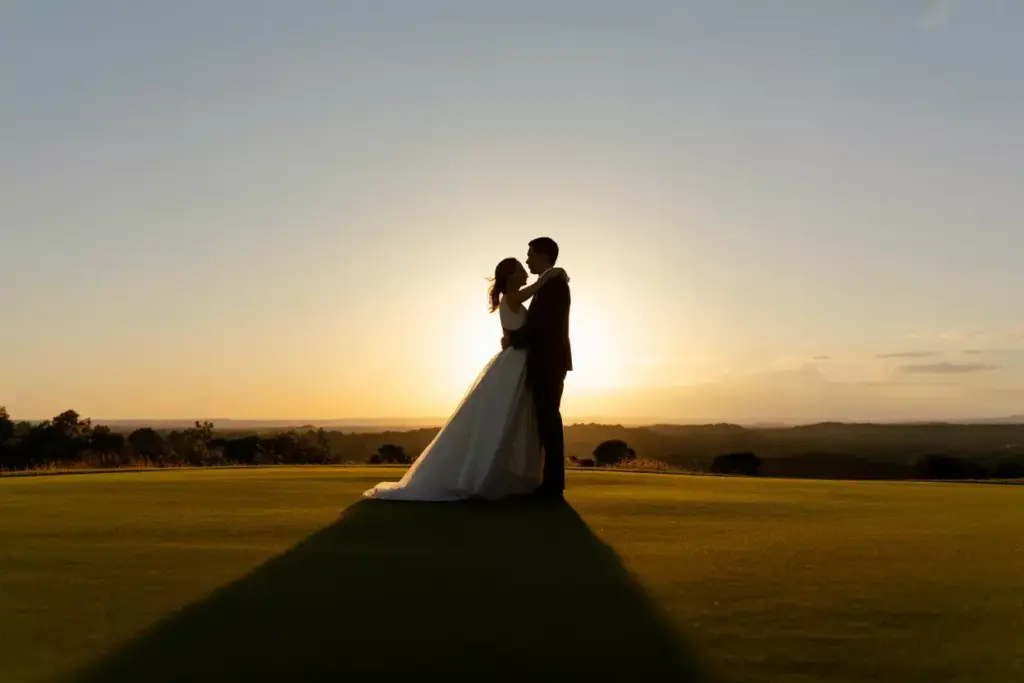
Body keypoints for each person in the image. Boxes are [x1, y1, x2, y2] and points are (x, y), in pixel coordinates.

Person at [363, 257, 568, 501]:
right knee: (503, 417)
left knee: (514, 418)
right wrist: (556, 272)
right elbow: (536, 290)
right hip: (515, 364)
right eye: (521, 270)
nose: (525, 272)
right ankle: (485, 475)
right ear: (511, 275)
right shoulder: (513, 297)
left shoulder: (512, 298)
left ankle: (509, 476)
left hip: (520, 363)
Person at [505, 237, 572, 501]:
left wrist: (513, 340)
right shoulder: (551, 281)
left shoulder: (554, 284)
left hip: (549, 361)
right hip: (546, 361)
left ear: (544, 255)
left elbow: (542, 325)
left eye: (530, 254)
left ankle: (553, 487)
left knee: (549, 422)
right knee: (545, 422)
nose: (527, 259)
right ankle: (548, 483)